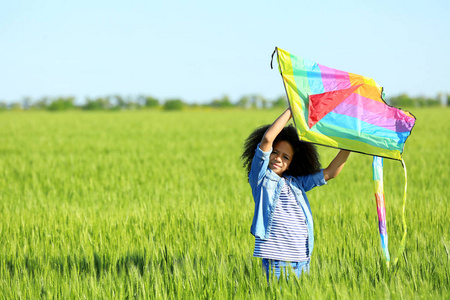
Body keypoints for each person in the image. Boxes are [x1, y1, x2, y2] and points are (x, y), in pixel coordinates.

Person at [241, 108, 350, 281]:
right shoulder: (260, 179)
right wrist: (293, 110)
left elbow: (330, 173)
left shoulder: (296, 183)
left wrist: (349, 145)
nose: (278, 158)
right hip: (278, 260)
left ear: (291, 163)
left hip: (302, 260)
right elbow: (267, 140)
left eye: (286, 157)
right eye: (275, 153)